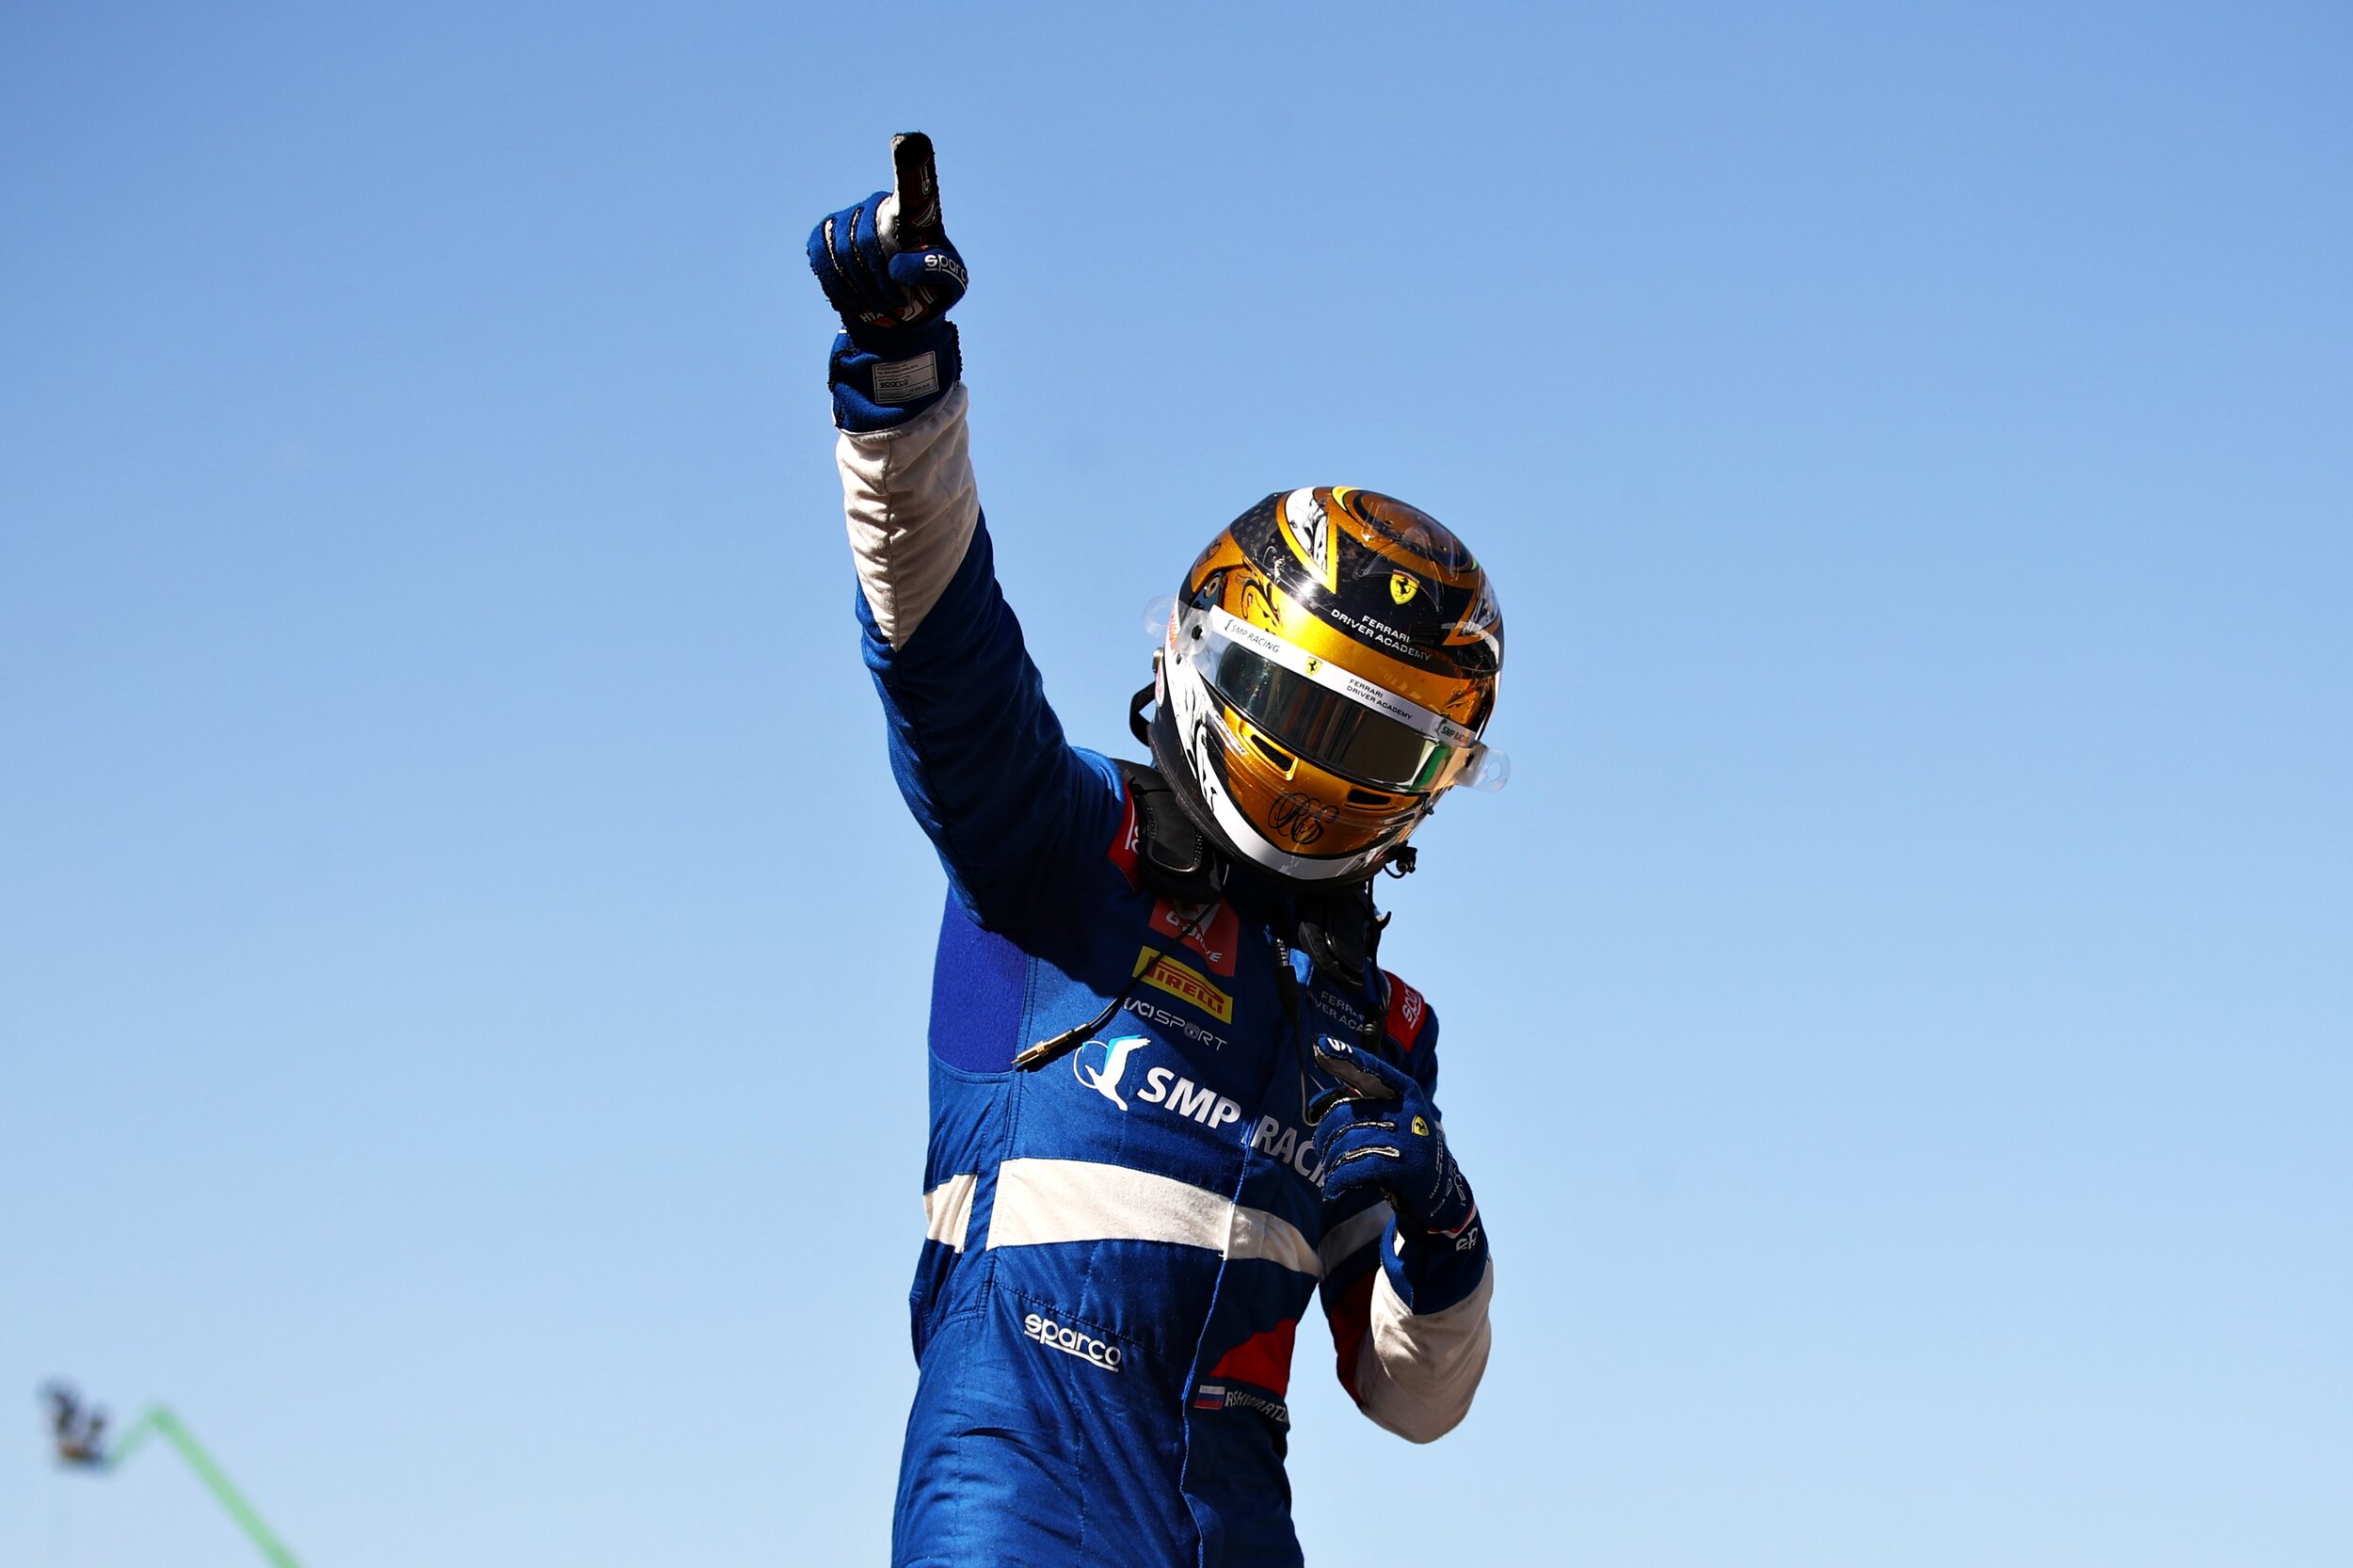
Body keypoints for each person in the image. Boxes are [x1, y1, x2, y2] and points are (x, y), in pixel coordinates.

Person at [808, 134, 1507, 1568]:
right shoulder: (1062, 846)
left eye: (1376, 747)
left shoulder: (1378, 1027)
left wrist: (1447, 1226)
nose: (1322, 775)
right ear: (1198, 656)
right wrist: (899, 382)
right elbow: (942, 649)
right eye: (1304, 712)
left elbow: (1410, 1395)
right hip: (1017, 1515)